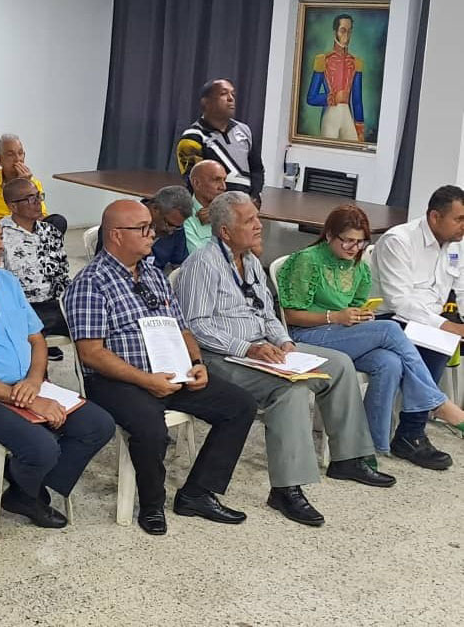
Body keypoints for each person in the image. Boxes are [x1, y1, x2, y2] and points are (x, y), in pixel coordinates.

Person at [174, 192, 395, 528]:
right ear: (225, 232)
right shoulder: (203, 264)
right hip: (221, 356)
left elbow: (268, 313)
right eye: (249, 221)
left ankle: (348, 459)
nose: (258, 225)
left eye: (256, 217)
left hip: (263, 348)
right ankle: (286, 488)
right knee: (289, 391)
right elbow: (195, 326)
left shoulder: (249, 261)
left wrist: (285, 342)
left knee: (339, 364)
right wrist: (247, 348)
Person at [65, 200, 256, 535]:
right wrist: (145, 379)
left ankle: (197, 493)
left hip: (171, 370)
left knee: (240, 405)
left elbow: (183, 329)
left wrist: (196, 364)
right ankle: (152, 504)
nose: (152, 234)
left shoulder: (154, 274)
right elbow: (91, 353)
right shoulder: (91, 283)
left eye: (150, 227)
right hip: (118, 380)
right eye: (142, 228)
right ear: (116, 235)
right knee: (151, 429)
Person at [0, 206, 116, 529]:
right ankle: (29, 485)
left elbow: (37, 339)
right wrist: (24, 398)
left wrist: (34, 381)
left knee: (98, 425)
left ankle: (23, 490)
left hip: (26, 385)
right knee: (42, 447)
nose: (1, 244)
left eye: (1, 236)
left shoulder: (7, 283)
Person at [277, 204, 464, 470]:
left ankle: (368, 448)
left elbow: (354, 308)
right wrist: (335, 316)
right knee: (390, 329)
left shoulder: (359, 267)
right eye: (348, 241)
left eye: (360, 242)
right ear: (329, 235)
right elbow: (290, 315)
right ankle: (438, 402)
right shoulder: (308, 260)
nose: (354, 248)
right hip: (305, 335)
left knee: (390, 362)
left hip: (339, 333)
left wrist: (359, 317)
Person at [372, 185, 464, 388]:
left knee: (442, 339)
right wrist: (447, 326)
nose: (463, 226)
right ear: (435, 217)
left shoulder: (456, 243)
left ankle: (432, 403)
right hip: (390, 319)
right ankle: (425, 407)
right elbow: (399, 303)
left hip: (431, 319)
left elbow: (462, 290)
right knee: (438, 344)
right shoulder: (398, 241)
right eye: (459, 219)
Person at [0, 178, 71, 361]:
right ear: (13, 206)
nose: (38, 202)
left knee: (94, 320)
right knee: (31, 329)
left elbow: (62, 273)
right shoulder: (0, 236)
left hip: (54, 302)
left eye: (39, 196)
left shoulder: (50, 232)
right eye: (30, 198)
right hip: (22, 306)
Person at [175, 79, 264, 201]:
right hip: (214, 206)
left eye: (233, 94)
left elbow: (257, 169)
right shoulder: (192, 137)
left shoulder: (244, 130)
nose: (231, 98)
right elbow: (194, 181)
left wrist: (254, 197)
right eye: (223, 94)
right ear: (206, 102)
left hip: (244, 203)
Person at [93, 186, 191, 272]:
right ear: (155, 208)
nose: (170, 231)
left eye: (177, 227)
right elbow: (107, 264)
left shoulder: (176, 229)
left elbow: (180, 266)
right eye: (168, 224)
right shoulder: (122, 222)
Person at [306, 14, 365, 143]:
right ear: (335, 32)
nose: (346, 35)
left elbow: (357, 101)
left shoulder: (356, 62)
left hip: (347, 116)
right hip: (330, 117)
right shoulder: (322, 60)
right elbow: (311, 98)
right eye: (343, 30)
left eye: (349, 31)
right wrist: (333, 98)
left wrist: (359, 128)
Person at [183, 160, 228, 254]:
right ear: (196, 183)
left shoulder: (228, 212)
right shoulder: (184, 215)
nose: (223, 187)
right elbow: (198, 256)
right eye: (216, 180)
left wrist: (221, 216)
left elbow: (253, 249)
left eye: (224, 180)